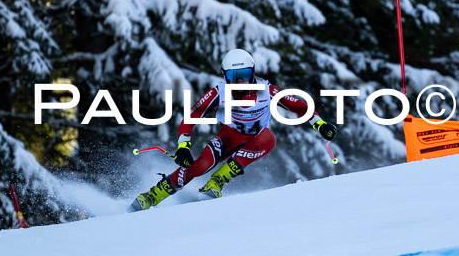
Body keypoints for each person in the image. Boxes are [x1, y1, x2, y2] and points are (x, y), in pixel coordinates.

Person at [130, 49, 337, 211]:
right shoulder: (219, 92)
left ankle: (216, 182)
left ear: (253, 73)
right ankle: (152, 195)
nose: (240, 81)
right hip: (228, 138)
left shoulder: (267, 90)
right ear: (225, 76)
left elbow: (299, 106)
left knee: (268, 138)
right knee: (198, 166)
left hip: (254, 139)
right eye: (234, 75)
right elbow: (192, 115)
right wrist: (183, 146)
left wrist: (320, 124)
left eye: (245, 74)